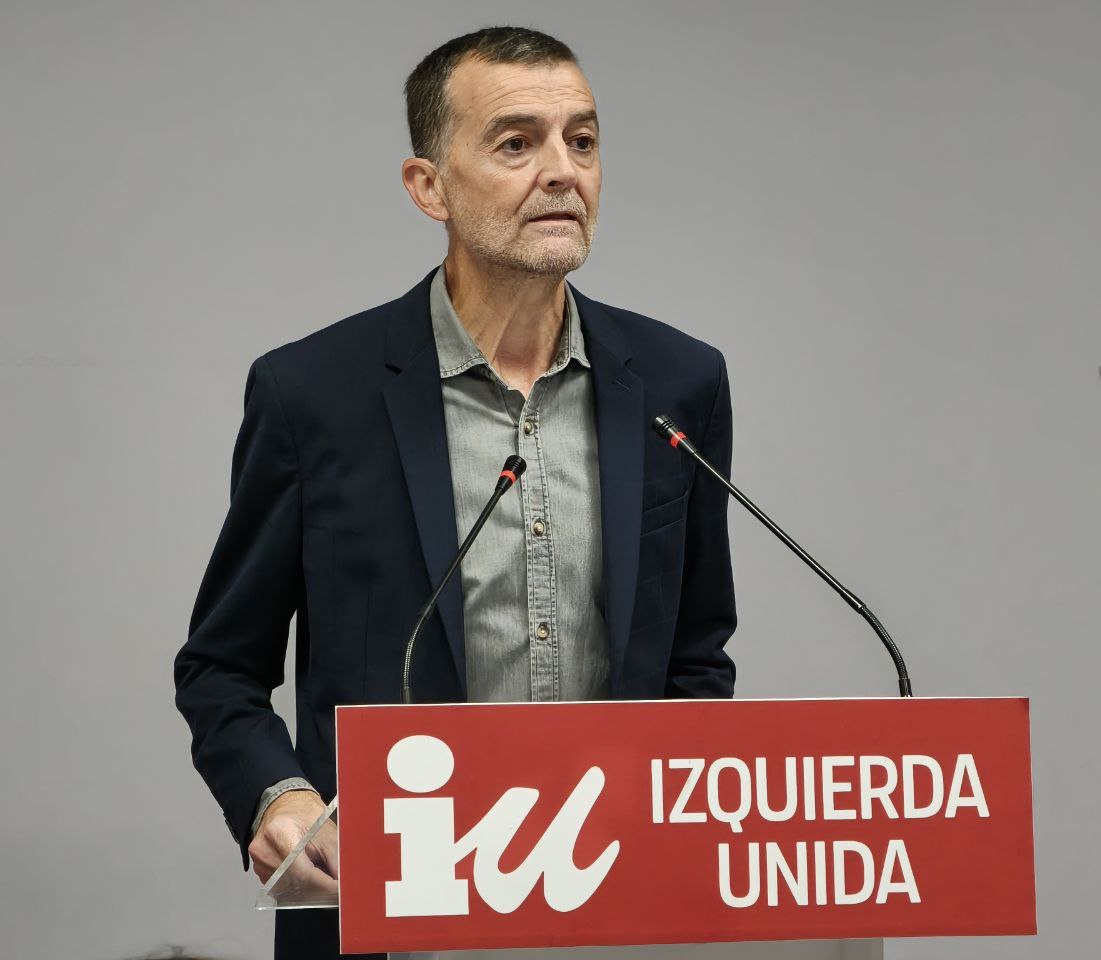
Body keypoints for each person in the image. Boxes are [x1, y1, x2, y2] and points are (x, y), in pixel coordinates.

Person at [174, 25, 736, 960]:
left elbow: (695, 657)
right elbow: (219, 669)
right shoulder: (312, 393)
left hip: (622, 912)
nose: (563, 172)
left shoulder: (679, 384)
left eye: (583, 141)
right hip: (394, 915)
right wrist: (279, 797)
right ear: (428, 186)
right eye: (517, 143)